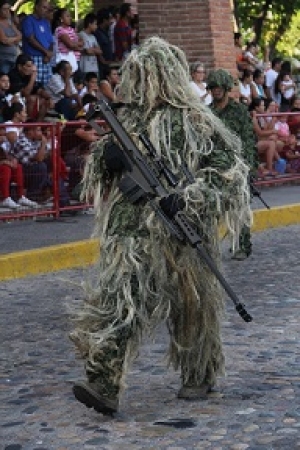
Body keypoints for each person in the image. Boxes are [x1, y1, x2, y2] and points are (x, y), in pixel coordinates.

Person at [69, 37, 252, 415]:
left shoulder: (196, 120)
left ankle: (197, 372)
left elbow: (229, 172)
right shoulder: (125, 118)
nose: (141, 80)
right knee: (122, 301)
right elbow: (98, 172)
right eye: (137, 73)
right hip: (131, 230)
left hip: (183, 228)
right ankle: (104, 380)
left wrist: (191, 196)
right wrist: (108, 156)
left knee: (192, 306)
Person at [207, 68, 257, 260]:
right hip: (213, 165)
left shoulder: (238, 111)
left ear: (226, 88)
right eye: (213, 87)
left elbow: (247, 139)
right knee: (210, 207)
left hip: (236, 164)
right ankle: (210, 247)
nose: (216, 90)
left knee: (239, 206)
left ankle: (242, 246)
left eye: (219, 86)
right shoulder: (207, 113)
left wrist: (250, 166)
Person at [21, 0, 53, 86]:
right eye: (44, 7)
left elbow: (51, 41)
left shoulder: (46, 22)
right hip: (33, 58)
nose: (46, 10)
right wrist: (46, 52)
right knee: (35, 85)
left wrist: (49, 54)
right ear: (36, 7)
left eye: (47, 8)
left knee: (47, 87)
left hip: (45, 59)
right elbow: (31, 39)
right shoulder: (28, 20)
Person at [52, 8, 83, 74]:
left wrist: (75, 45)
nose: (70, 18)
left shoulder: (71, 29)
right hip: (65, 58)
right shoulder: (60, 30)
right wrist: (76, 46)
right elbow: (70, 44)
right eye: (67, 16)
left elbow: (82, 42)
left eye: (70, 16)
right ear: (61, 19)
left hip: (74, 57)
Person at [0, 0, 22, 74]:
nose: (7, 11)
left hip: (14, 58)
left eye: (8, 9)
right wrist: (15, 39)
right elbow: (4, 40)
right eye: (4, 9)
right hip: (3, 59)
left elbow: (20, 35)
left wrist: (11, 40)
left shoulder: (9, 21)